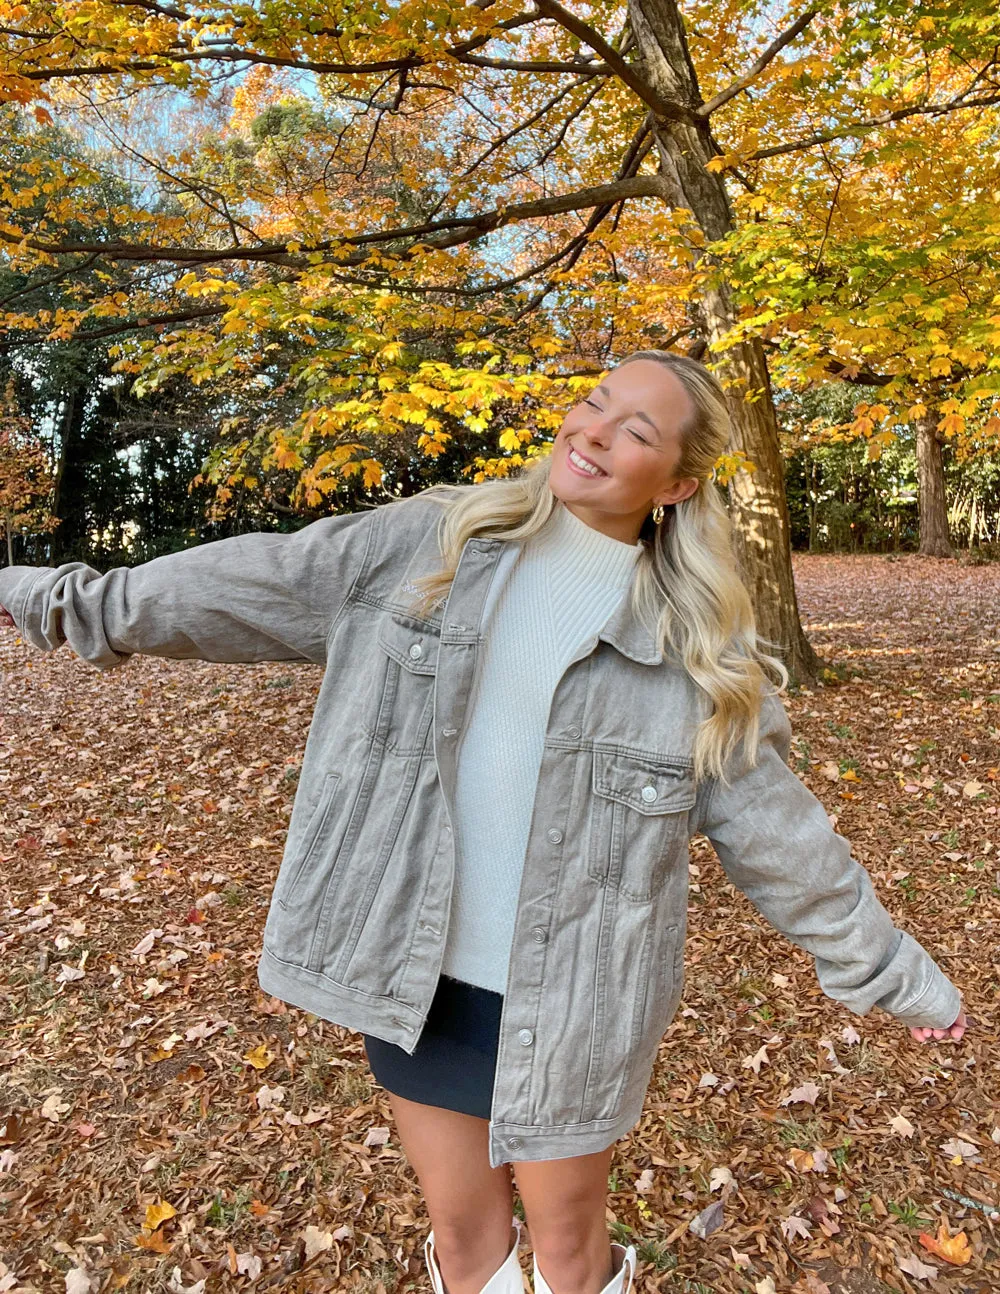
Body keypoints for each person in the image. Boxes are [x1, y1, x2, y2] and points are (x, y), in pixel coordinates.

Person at [0, 351, 967, 1294]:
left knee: (568, 1256)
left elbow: (781, 836)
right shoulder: (426, 546)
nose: (592, 430)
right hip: (414, 975)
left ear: (676, 484)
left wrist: (890, 970)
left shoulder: (698, 657)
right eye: (594, 403)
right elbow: (214, 588)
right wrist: (39, 597)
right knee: (466, 1247)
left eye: (634, 430)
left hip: (578, 1000)